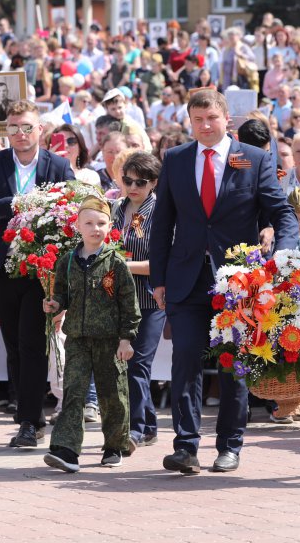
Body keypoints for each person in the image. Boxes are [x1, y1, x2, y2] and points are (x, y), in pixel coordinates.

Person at [149, 88, 298, 475]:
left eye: (211, 119)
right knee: (185, 359)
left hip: (238, 283)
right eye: (197, 120)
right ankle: (185, 446)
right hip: (186, 279)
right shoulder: (177, 159)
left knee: (234, 367)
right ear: (190, 121)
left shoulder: (254, 158)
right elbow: (162, 223)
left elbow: (281, 213)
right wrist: (159, 279)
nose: (205, 126)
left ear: (226, 119)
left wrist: (282, 257)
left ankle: (230, 446)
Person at [0, 100, 74, 449]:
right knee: (13, 344)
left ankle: (30, 421)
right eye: (13, 128)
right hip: (3, 267)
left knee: (32, 343)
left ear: (39, 130)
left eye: (27, 127)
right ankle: (26, 414)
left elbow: (72, 211)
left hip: (40, 271)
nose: (20, 133)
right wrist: (17, 202)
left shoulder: (58, 165)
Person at [42, 196, 140, 472]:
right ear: (78, 226)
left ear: (110, 226)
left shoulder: (116, 263)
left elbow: (128, 303)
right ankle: (66, 449)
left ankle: (115, 445)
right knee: (73, 391)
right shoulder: (68, 261)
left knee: (113, 394)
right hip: (78, 338)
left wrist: (126, 338)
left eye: (101, 223)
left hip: (110, 341)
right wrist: (55, 304)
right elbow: (61, 293)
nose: (95, 228)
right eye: (89, 223)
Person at [109, 152, 168, 450]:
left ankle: (135, 428)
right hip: (119, 296)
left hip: (150, 295)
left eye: (140, 182)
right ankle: (149, 426)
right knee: (125, 364)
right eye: (127, 180)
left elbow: (160, 262)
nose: (132, 186)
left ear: (154, 183)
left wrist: (120, 264)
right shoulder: (116, 207)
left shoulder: (160, 211)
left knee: (138, 363)